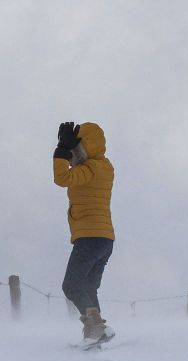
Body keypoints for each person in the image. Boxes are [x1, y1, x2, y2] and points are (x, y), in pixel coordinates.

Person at [53, 121, 115, 345]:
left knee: (71, 285)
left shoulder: (90, 169)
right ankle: (97, 332)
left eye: (76, 147)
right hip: (104, 239)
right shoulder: (104, 167)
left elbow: (62, 178)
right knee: (87, 286)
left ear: (86, 146)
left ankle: (95, 329)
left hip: (90, 237)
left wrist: (61, 150)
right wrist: (67, 149)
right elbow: (73, 170)